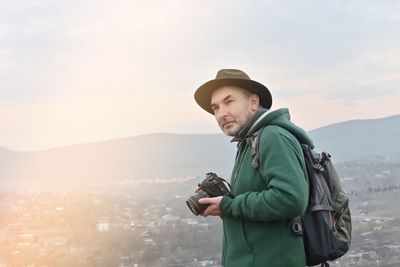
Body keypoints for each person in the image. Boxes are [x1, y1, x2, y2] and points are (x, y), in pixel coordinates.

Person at [194, 69, 314, 267]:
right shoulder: (248, 142)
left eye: (229, 101)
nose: (222, 113)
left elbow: (291, 199)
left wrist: (228, 205)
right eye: (216, 107)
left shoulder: (273, 137)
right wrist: (223, 203)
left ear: (253, 103)